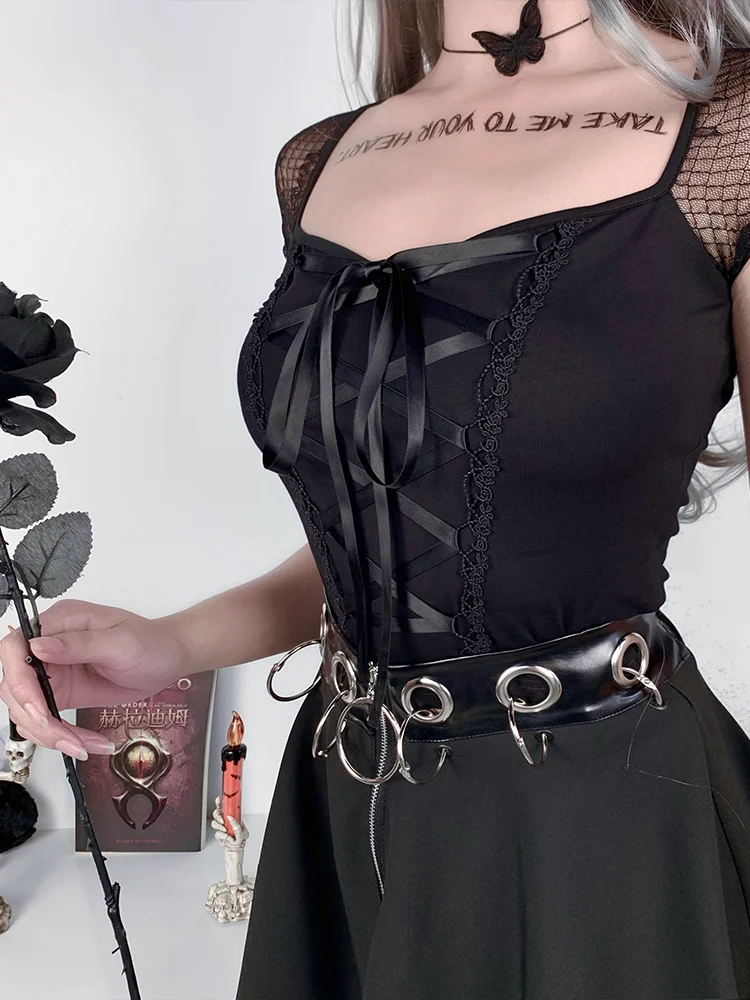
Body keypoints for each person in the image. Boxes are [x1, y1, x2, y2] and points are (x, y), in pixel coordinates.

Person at [2, 0, 750, 996]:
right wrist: (168, 645)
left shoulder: (730, 130)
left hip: (604, 824)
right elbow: (383, 545)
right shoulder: (320, 162)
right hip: (350, 793)